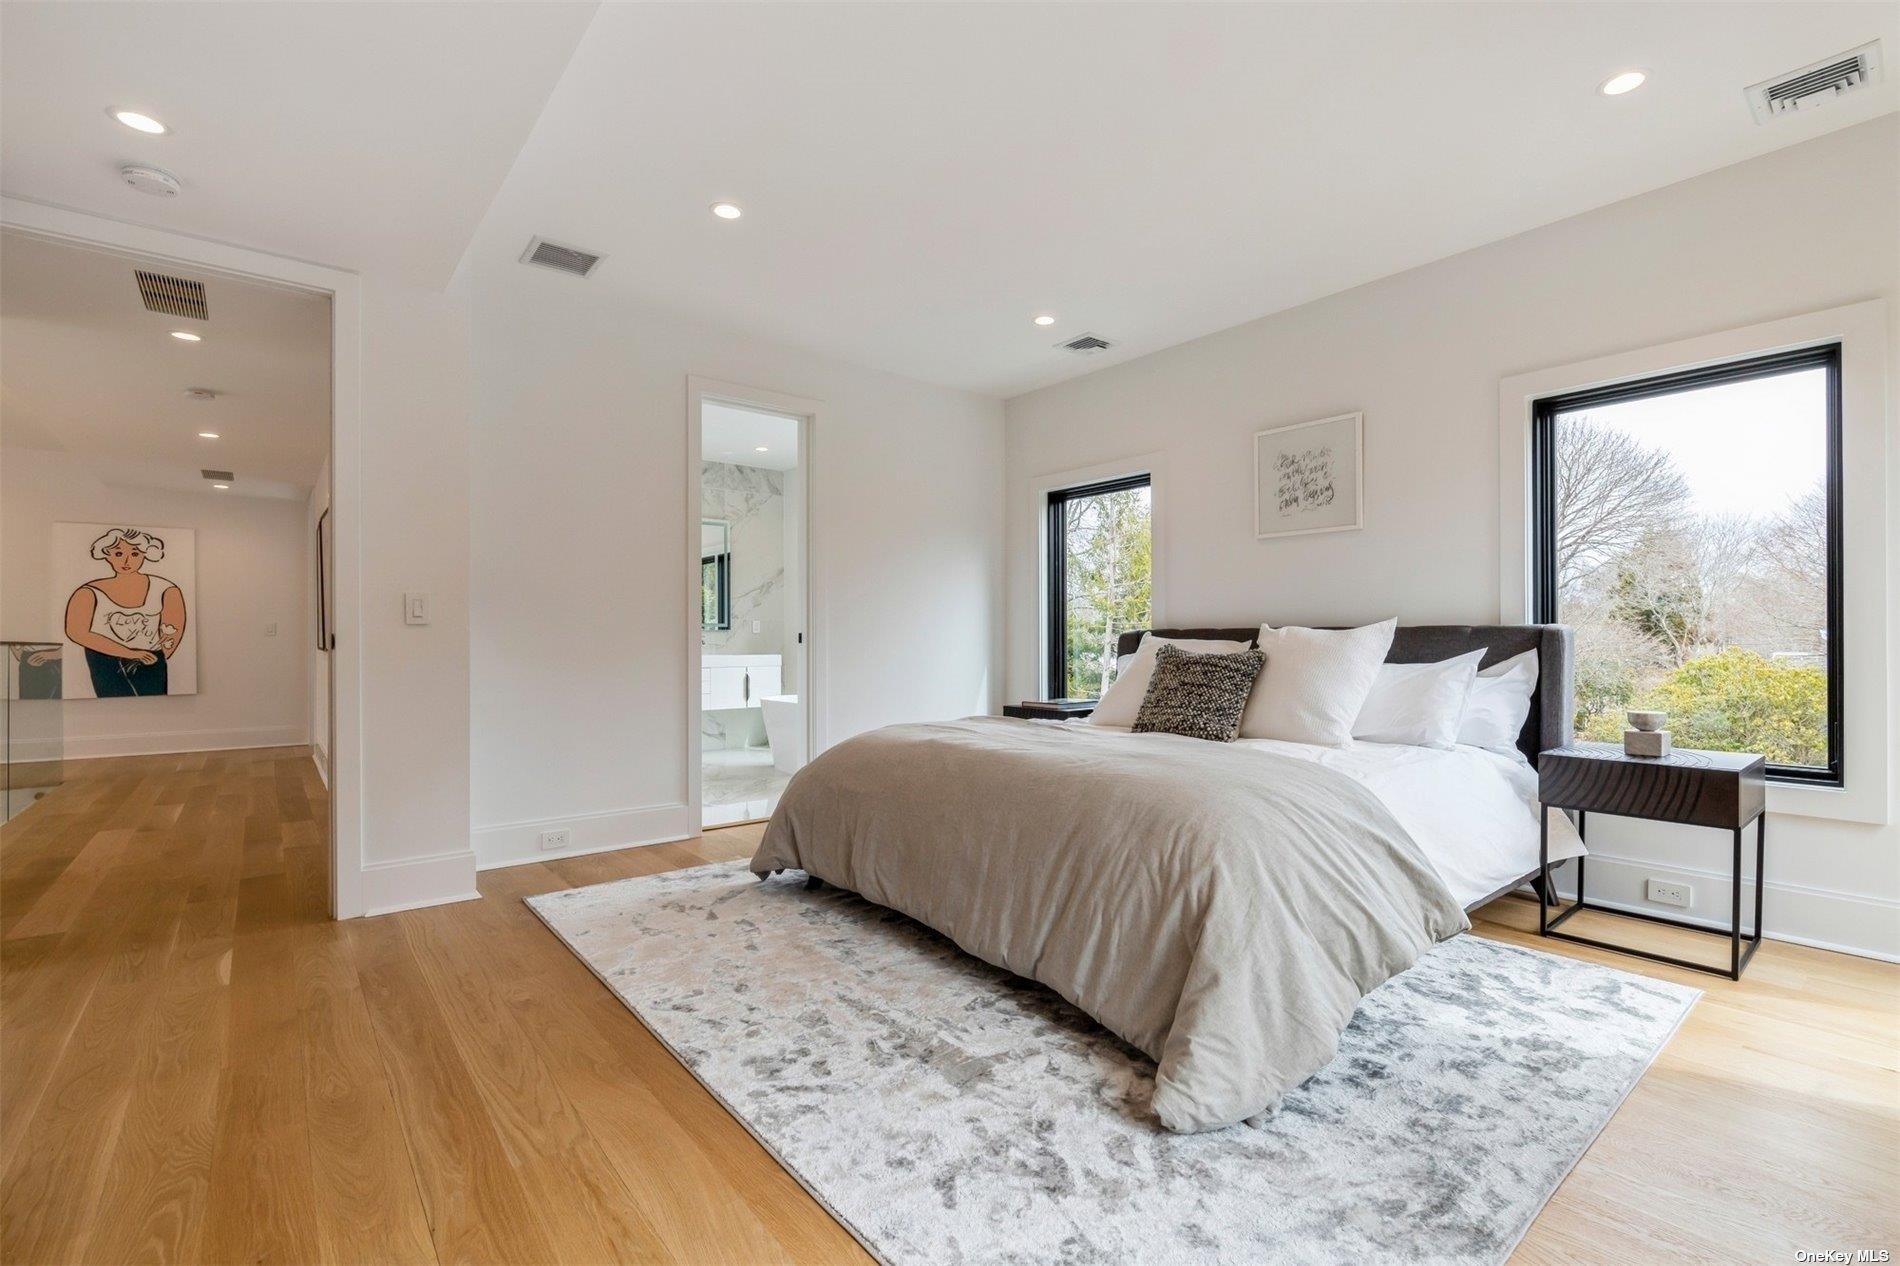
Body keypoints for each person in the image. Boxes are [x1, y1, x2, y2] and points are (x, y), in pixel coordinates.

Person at [63, 528, 186, 698]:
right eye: (118, 553)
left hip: (150, 660)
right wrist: (129, 653)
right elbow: (76, 632)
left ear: (146, 554)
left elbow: (174, 630)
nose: (127, 560)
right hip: (104, 660)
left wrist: (153, 658)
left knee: (154, 708)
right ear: (107, 555)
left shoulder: (166, 589)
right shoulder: (88, 592)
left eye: (135, 554)